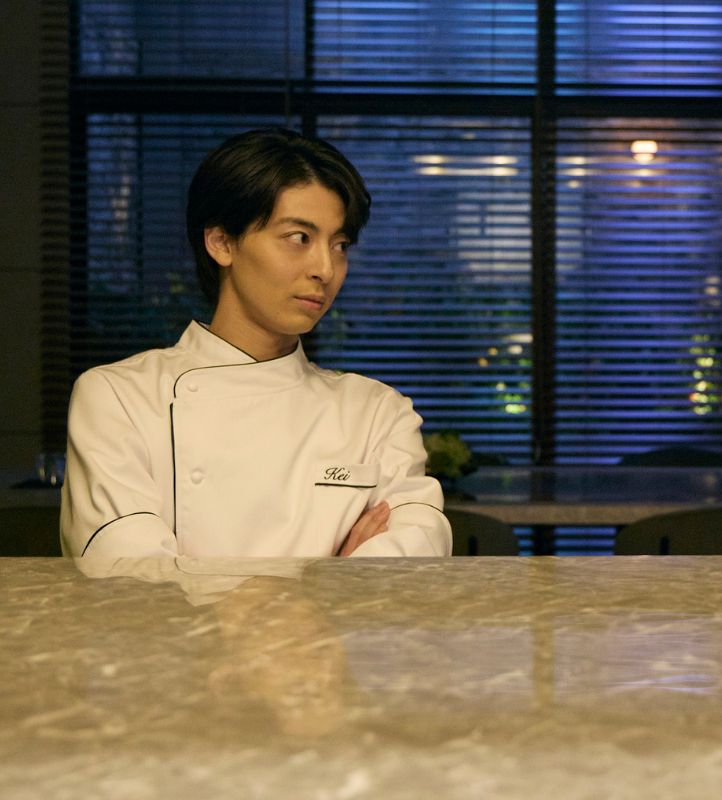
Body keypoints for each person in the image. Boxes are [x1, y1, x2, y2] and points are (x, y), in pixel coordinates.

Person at [61, 128, 451, 558]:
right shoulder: (119, 398)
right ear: (222, 242)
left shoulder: (377, 412)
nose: (325, 268)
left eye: (339, 245)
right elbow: (128, 574)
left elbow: (420, 544)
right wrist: (332, 580)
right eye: (299, 238)